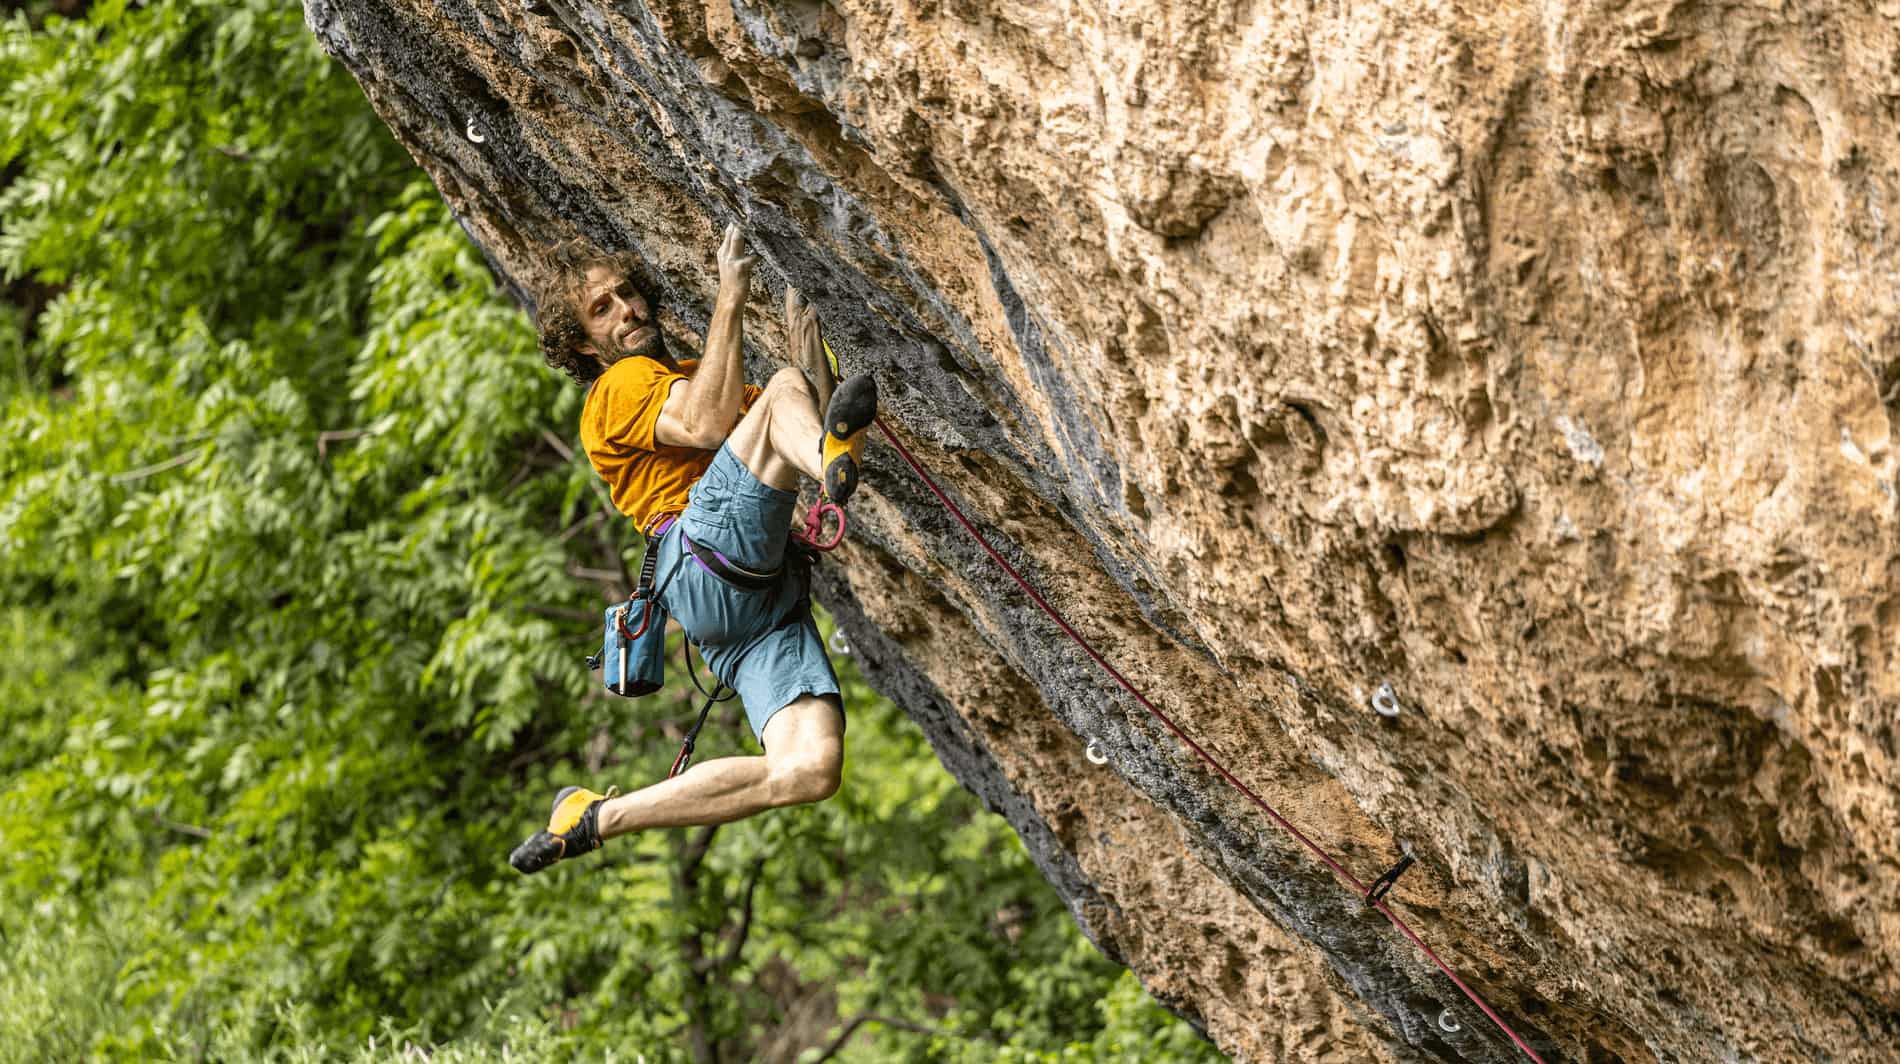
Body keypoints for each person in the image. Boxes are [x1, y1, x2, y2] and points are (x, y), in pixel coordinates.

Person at [509, 224, 876, 874]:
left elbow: (794, 424)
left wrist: (813, 358)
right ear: (580, 346)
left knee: (808, 769)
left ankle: (595, 819)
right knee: (784, 387)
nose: (628, 309)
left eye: (628, 293)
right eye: (603, 308)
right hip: (703, 552)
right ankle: (830, 463)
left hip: (744, 615)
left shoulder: (684, 376)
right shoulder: (619, 387)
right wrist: (730, 297)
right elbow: (706, 423)